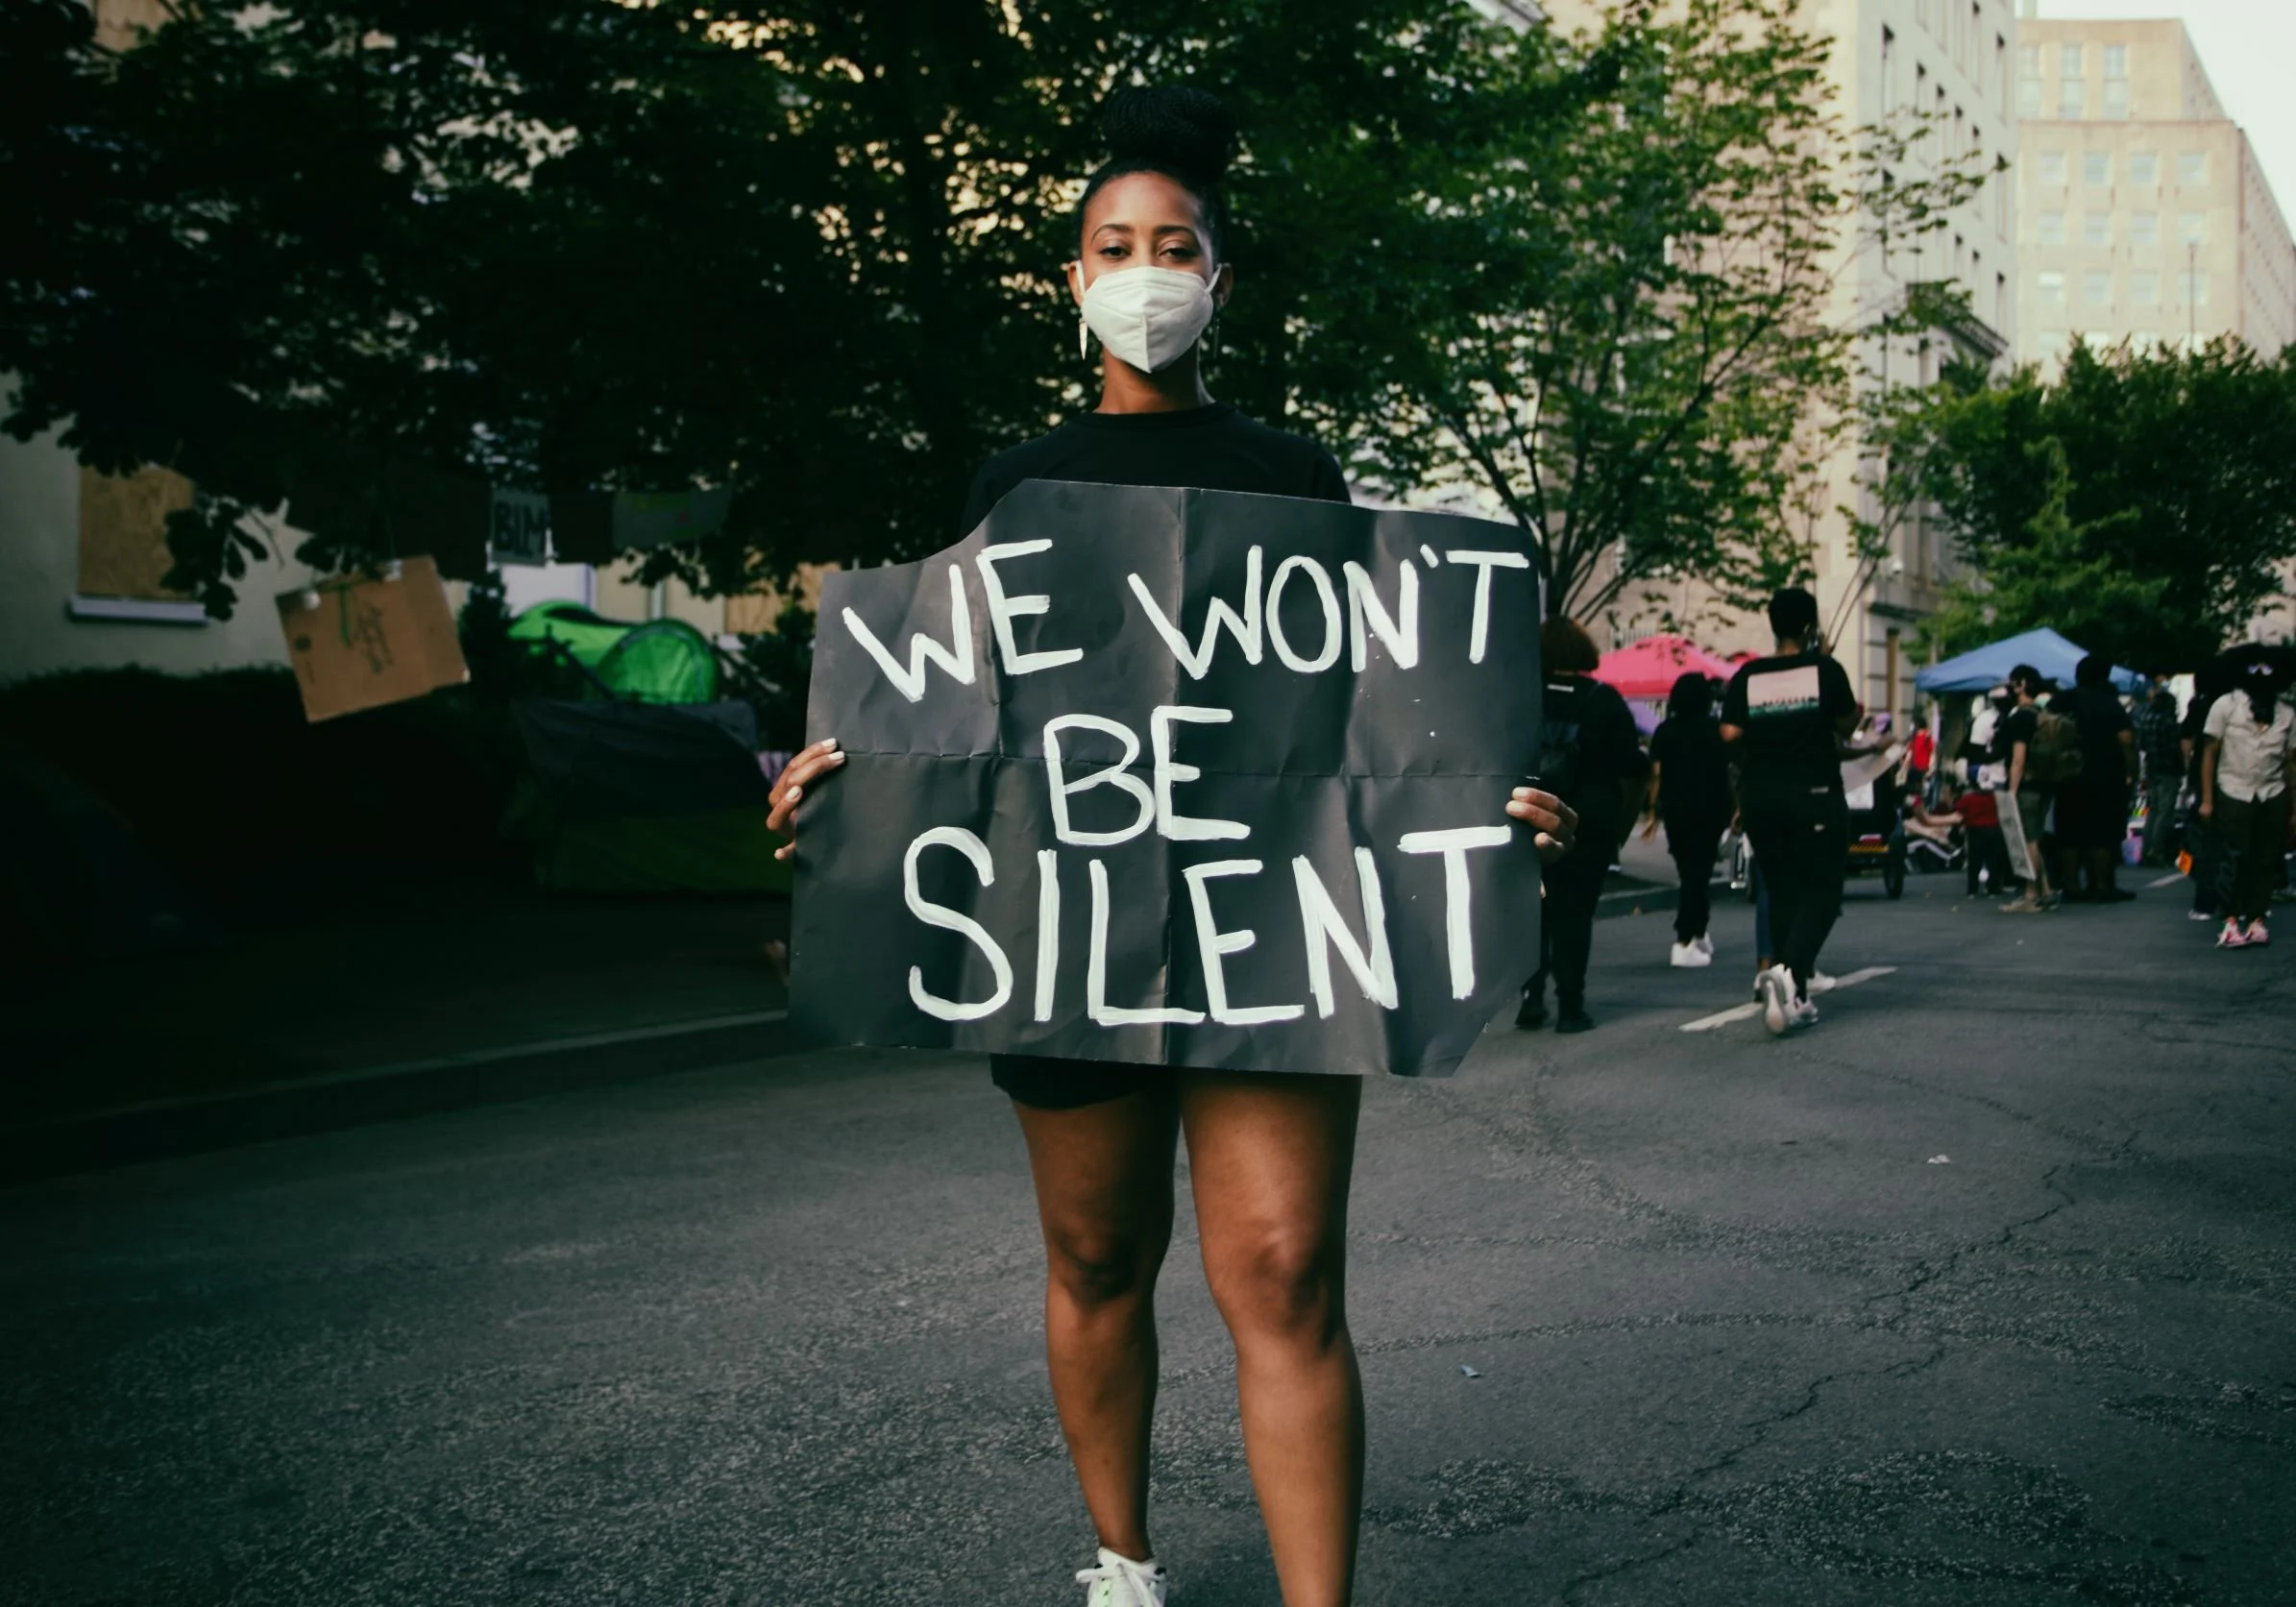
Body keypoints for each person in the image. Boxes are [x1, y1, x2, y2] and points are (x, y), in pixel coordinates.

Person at [760, 86, 1579, 1607]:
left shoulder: (1298, 482)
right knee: (1095, 1260)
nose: (1147, 269)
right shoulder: (1011, 486)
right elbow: (958, 713)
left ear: (1217, 277)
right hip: (1060, 920)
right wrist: (843, 791)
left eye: (1175, 244)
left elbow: (1371, 721)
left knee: (1281, 1273)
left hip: (1270, 928)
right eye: (1115, 246)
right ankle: (1122, 1561)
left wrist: (1491, 805)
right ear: (1077, 282)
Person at [1720, 588, 1859, 1035]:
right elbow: (1847, 723)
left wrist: (1761, 747)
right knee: (1823, 890)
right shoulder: (1826, 670)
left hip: (1760, 795)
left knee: (1781, 892)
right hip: (1813, 793)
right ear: (1809, 626)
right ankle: (1789, 973)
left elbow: (1728, 732)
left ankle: (1791, 996)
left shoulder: (1749, 674)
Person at [1519, 617, 1643, 1032]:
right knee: (1575, 914)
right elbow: (1632, 768)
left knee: (1528, 910)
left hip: (1527, 816)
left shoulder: (1521, 696)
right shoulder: (1604, 700)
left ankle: (1529, 997)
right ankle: (1571, 1005)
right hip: (1587, 821)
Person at [2198, 656, 2295, 949]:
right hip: (2233, 789)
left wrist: (2293, 809)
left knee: (2265, 859)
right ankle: (2229, 921)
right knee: (2232, 858)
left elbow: (2292, 764)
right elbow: (2209, 753)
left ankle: (2256, 920)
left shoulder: (2287, 714)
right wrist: (2207, 799)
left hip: (2272, 791)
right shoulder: (2225, 706)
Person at [1643, 670, 1733, 968]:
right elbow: (1727, 772)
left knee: (1689, 873)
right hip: (1710, 808)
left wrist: (1653, 813)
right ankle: (1684, 939)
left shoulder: (1665, 731)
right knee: (1700, 873)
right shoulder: (1713, 729)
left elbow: (1656, 775)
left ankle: (1698, 931)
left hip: (1677, 811)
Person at [2051, 654, 2137, 902]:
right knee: (2102, 833)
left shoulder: (2062, 700)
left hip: (2066, 776)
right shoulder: (2109, 703)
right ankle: (2101, 886)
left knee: (2068, 833)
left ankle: (2071, 886)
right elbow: (2127, 741)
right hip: (2105, 777)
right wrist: (2131, 773)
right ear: (2103, 678)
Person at [1993, 665, 2059, 914]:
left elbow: (2018, 758)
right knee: (2036, 839)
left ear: (2021, 684)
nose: (2009, 687)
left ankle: (2030, 895)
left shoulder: (2020, 717)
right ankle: (2046, 890)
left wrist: (2011, 790)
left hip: (2026, 787)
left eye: (2013, 682)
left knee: (2028, 841)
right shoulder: (2040, 714)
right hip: (2043, 785)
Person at [2132, 683, 2183, 867]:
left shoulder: (2147, 719)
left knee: (2153, 810)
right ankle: (2157, 850)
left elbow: (2143, 744)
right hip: (2168, 769)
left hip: (2152, 767)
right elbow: (2175, 746)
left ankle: (2146, 850)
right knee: (2165, 810)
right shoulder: (2169, 722)